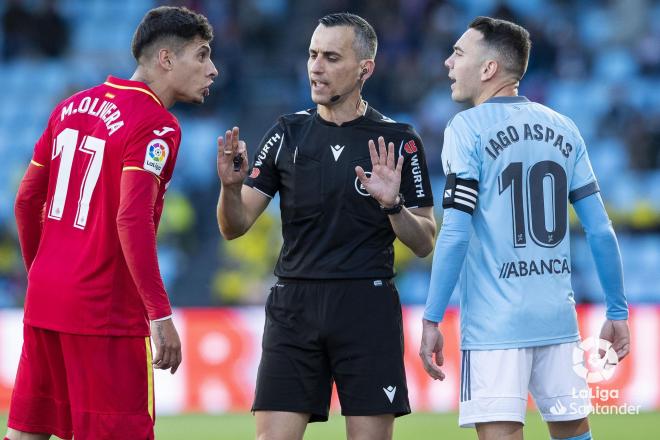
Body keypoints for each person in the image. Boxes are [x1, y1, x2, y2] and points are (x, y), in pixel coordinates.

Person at [217, 12, 436, 440]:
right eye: (313, 55)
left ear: (364, 69)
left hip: (366, 305)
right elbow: (234, 225)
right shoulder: (286, 133)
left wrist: (393, 206)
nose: (316, 66)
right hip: (294, 304)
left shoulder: (400, 140)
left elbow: (425, 240)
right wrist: (229, 188)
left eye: (331, 57)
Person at [6, 6, 217, 440]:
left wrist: (41, 273)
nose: (212, 69)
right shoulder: (157, 125)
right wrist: (159, 315)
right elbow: (132, 217)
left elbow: (27, 199)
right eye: (201, 56)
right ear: (165, 59)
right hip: (105, 312)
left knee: (28, 431)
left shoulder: (70, 106)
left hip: (46, 301)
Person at [419, 17, 630, 440]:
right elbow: (601, 231)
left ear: (488, 69)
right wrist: (617, 311)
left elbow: (456, 233)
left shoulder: (465, 129)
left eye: (458, 53)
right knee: (574, 434)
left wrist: (431, 318)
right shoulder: (564, 128)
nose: (447, 62)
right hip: (557, 320)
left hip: (495, 327)